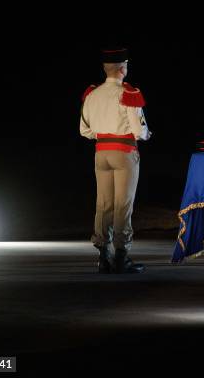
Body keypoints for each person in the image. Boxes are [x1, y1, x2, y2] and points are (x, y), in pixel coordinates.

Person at [80, 48, 152, 274]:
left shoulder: (92, 94)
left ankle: (103, 256)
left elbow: (85, 130)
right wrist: (146, 134)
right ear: (122, 68)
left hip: (101, 152)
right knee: (123, 205)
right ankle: (121, 256)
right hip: (124, 152)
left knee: (104, 204)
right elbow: (139, 131)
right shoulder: (128, 93)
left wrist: (103, 133)